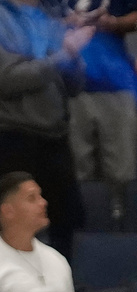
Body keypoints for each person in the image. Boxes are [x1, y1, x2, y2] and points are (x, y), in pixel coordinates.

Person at [0, 0, 93, 258]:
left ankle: (61, 288)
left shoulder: (51, 17)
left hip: (55, 138)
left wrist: (74, 58)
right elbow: (7, 79)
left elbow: (72, 85)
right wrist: (64, 56)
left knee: (66, 221)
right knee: (13, 226)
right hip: (14, 139)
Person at [66, 0, 137, 223]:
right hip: (73, 85)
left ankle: (121, 224)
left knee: (121, 170)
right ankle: (82, 221)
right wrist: (69, 22)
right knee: (78, 167)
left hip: (115, 86)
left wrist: (114, 23)